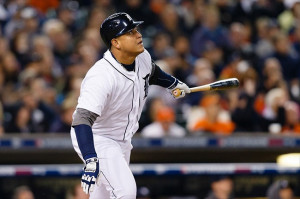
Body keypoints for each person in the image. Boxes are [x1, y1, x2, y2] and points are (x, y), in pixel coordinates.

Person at [70, 12, 190, 199]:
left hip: (123, 140)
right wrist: (91, 159)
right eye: (130, 32)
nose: (138, 34)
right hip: (97, 137)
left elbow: (153, 72)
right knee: (125, 192)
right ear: (116, 42)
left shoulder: (141, 57)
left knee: (102, 195)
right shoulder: (101, 76)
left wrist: (173, 83)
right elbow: (81, 119)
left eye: (136, 30)